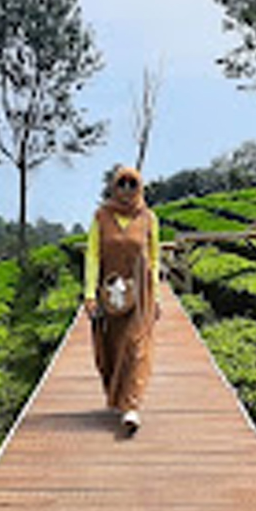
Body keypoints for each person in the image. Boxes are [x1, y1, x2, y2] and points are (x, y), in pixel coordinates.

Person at [84, 166, 159, 437]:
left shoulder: (149, 218)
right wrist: (90, 294)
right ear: (114, 187)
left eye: (132, 184)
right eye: (122, 184)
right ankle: (118, 397)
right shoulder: (101, 217)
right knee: (114, 348)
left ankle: (131, 406)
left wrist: (157, 296)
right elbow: (92, 255)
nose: (127, 190)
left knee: (136, 346)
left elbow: (153, 258)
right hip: (110, 292)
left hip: (141, 295)